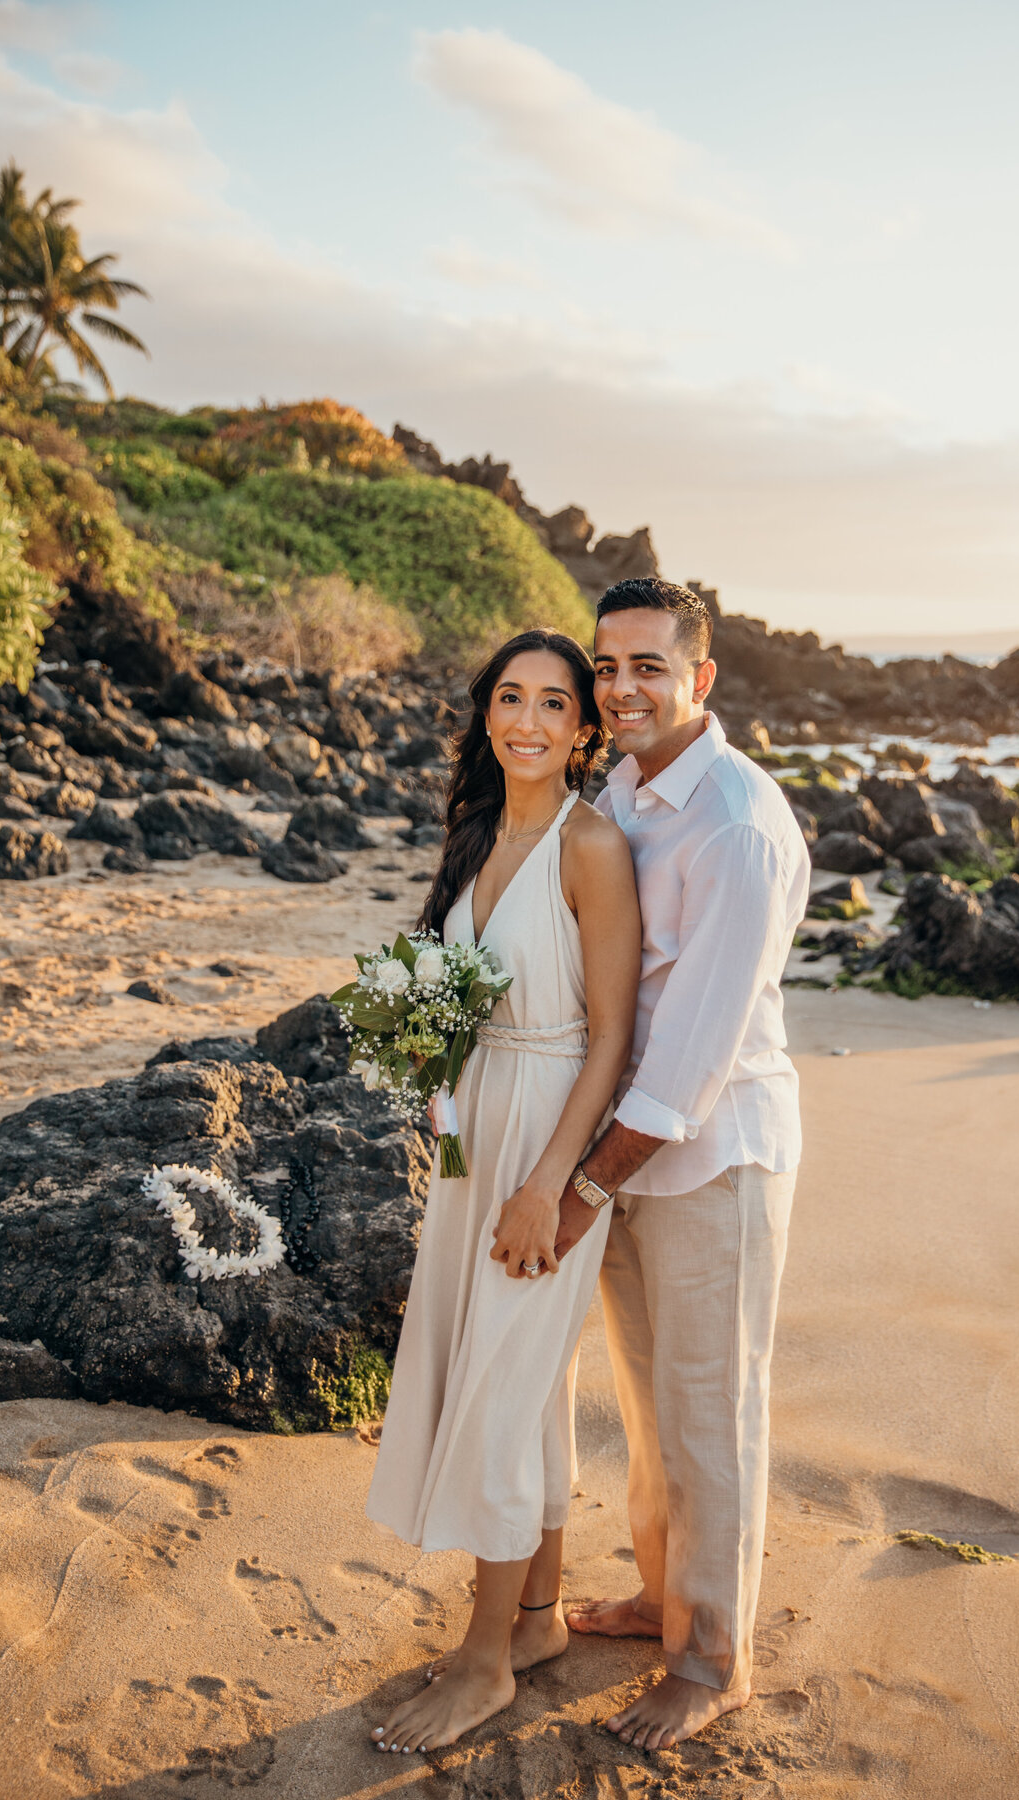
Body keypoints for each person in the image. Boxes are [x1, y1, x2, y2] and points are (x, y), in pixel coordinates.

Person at [366, 628, 641, 1756]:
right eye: (510, 699)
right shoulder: (478, 832)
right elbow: (459, 998)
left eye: (554, 704)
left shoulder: (591, 847)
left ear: (584, 729)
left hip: (543, 1145)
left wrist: (553, 1186)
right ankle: (532, 1622)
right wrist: (426, 1065)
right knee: (515, 1385)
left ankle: (483, 1666)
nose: (528, 721)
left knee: (503, 1384)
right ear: (488, 715)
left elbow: (613, 1038)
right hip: (474, 1139)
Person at [552, 578, 810, 1752]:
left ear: (701, 679)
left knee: (713, 1410)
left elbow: (694, 1057)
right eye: (608, 667)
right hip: (629, 1154)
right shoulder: (623, 787)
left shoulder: (737, 823)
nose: (621, 688)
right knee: (652, 1410)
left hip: (712, 1160)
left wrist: (583, 1181)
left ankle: (713, 1660)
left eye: (649, 666)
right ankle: (660, 1600)